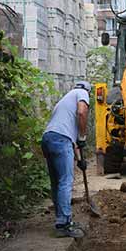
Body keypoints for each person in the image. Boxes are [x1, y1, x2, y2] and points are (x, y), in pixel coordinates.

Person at [41, 81, 91, 238]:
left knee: (57, 182)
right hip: (61, 140)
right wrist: (83, 136)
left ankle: (61, 219)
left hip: (49, 139)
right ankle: (64, 224)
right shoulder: (81, 93)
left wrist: (79, 160)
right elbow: (82, 113)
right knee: (65, 181)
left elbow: (71, 139)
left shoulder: (64, 101)